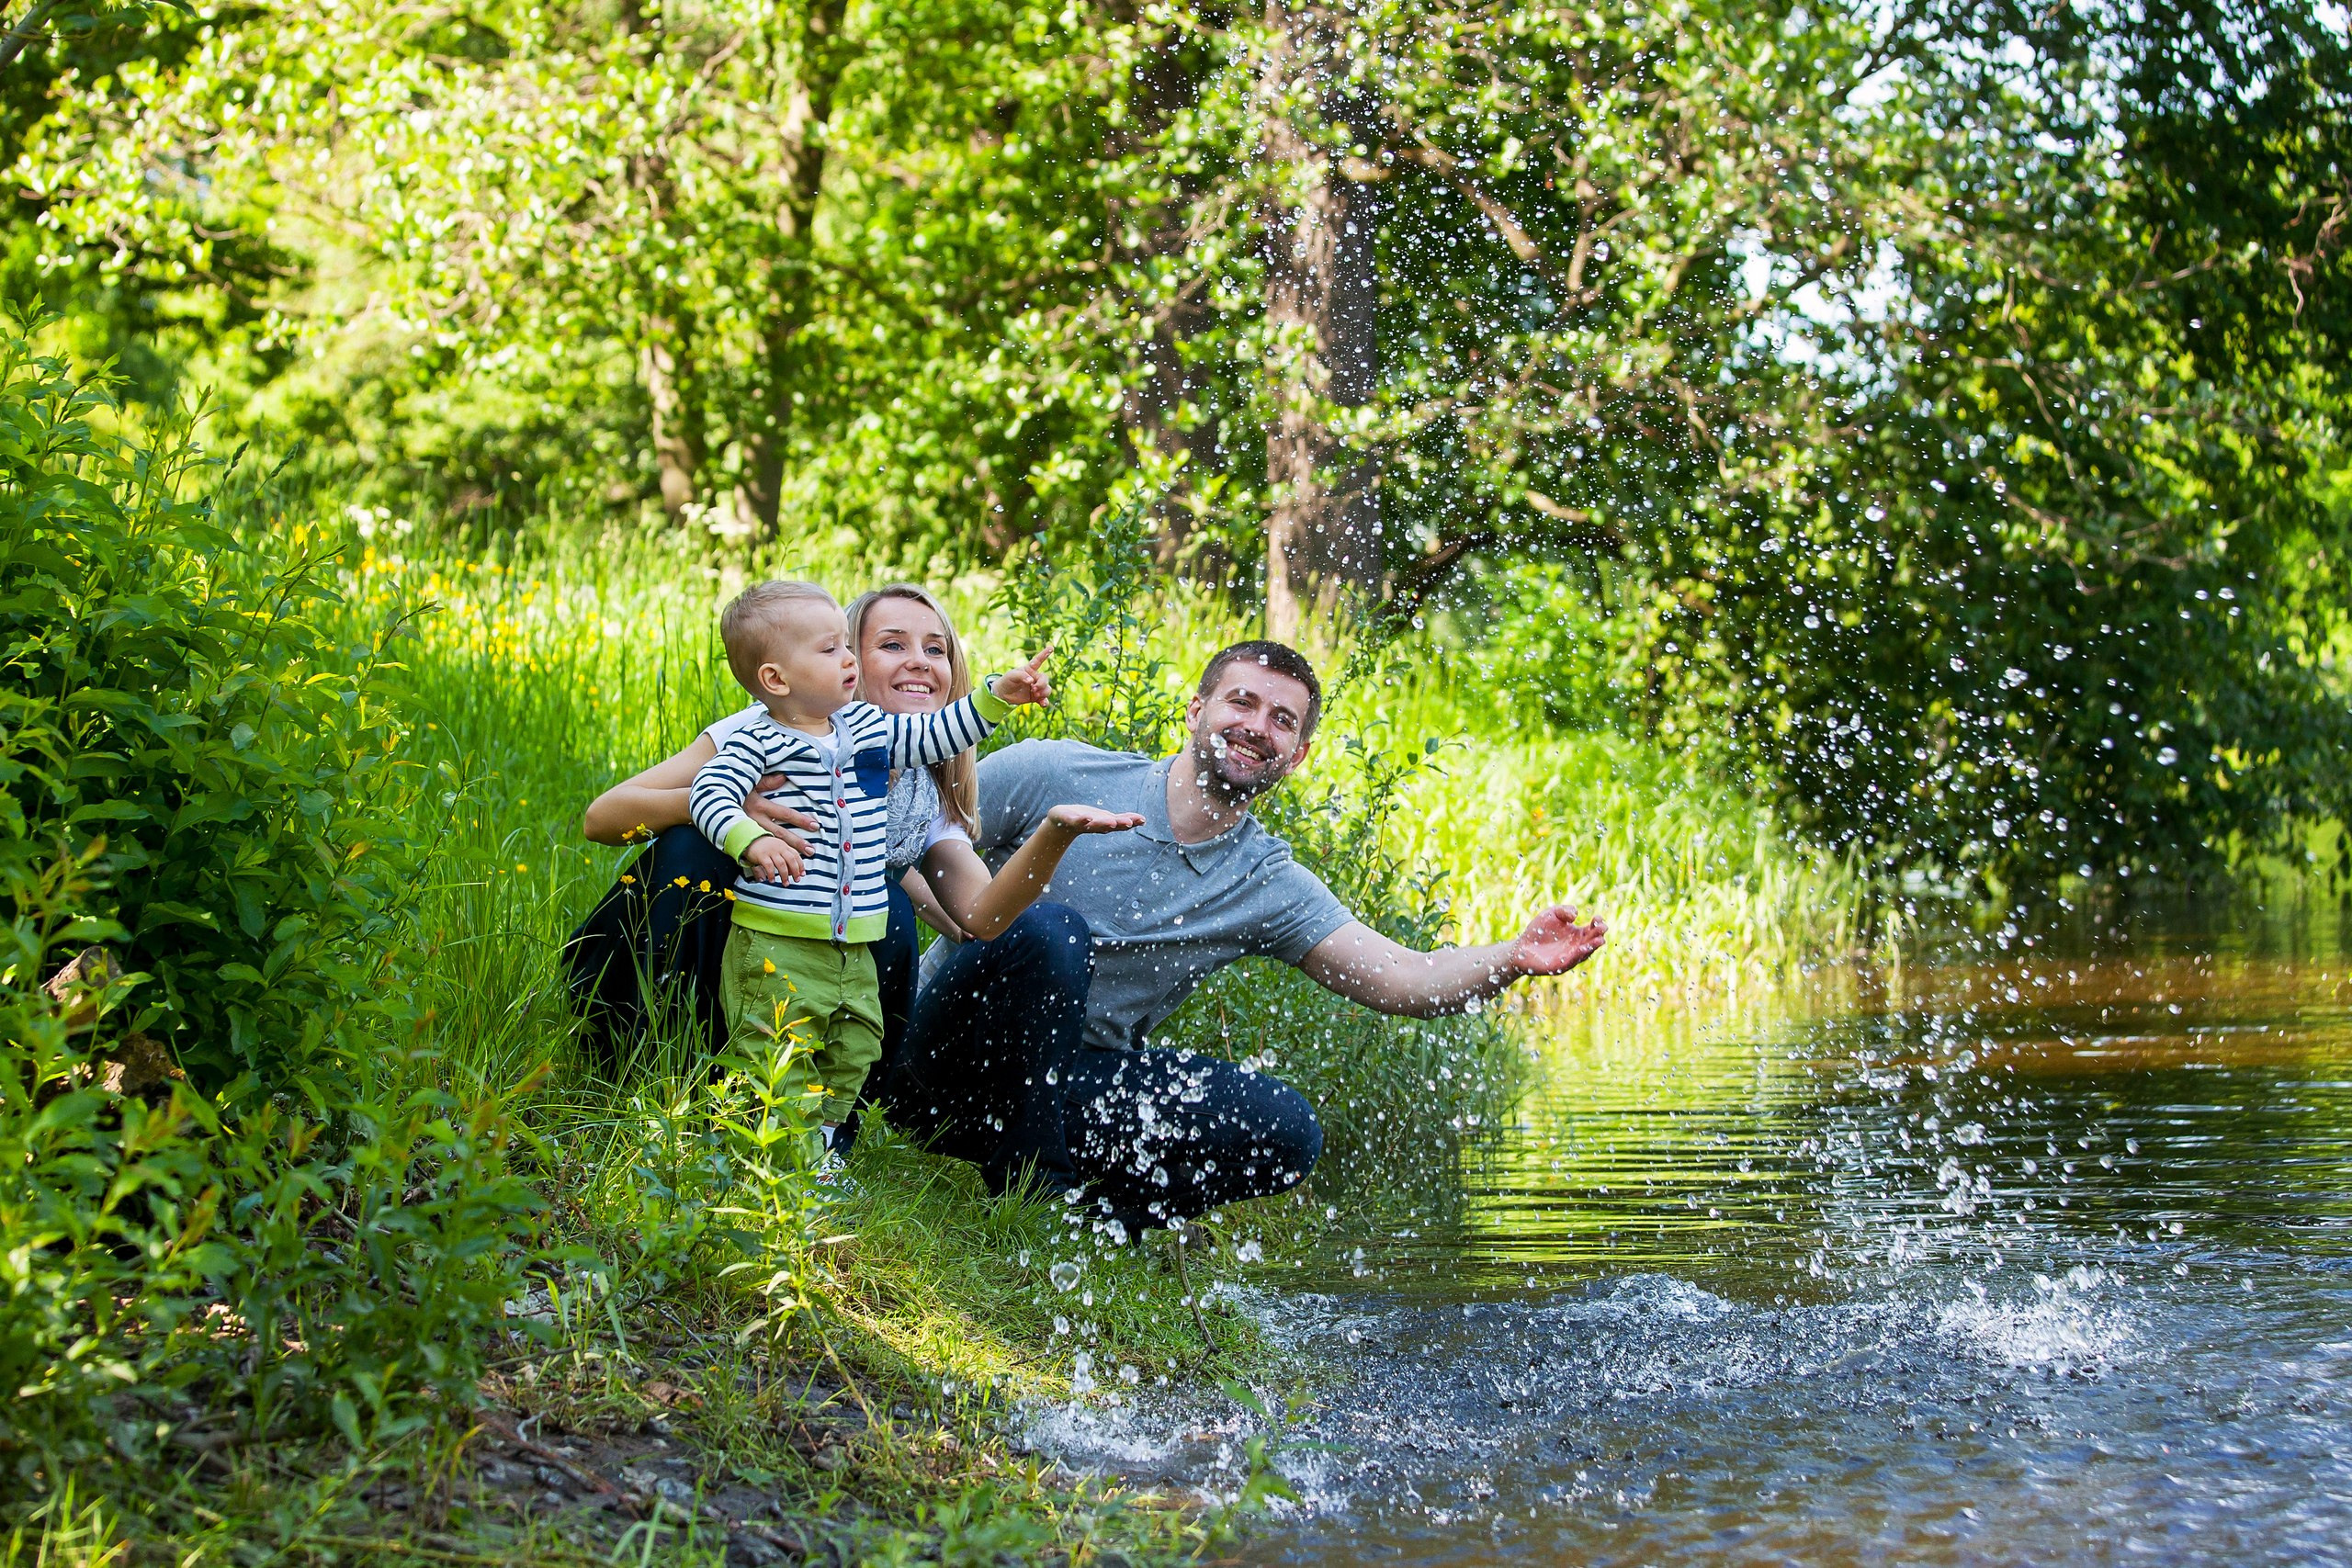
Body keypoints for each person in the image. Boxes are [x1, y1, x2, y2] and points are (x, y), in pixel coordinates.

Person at [867, 638, 1610, 1237]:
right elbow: (897, 838)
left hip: (1072, 1087)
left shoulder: (1265, 881)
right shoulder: (1053, 772)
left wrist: (1512, 959)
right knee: (1052, 929)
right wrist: (952, 917)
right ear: (1196, 711)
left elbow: (1404, 977)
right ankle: (1033, 1200)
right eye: (1242, 702)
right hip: (942, 1064)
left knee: (1285, 1129)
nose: (1259, 725)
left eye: (1283, 720)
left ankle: (1096, 1229)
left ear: (1299, 753)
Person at [684, 579, 1057, 1159]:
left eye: (937, 649)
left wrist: (997, 697)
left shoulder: (873, 735)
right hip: (777, 934)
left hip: (849, 947)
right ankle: (760, 1153)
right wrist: (747, 829)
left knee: (853, 1045)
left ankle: (823, 1146)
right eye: (837, 649)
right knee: (774, 1046)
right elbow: (706, 793)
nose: (850, 661)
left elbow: (939, 734)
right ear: (780, 679)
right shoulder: (758, 734)